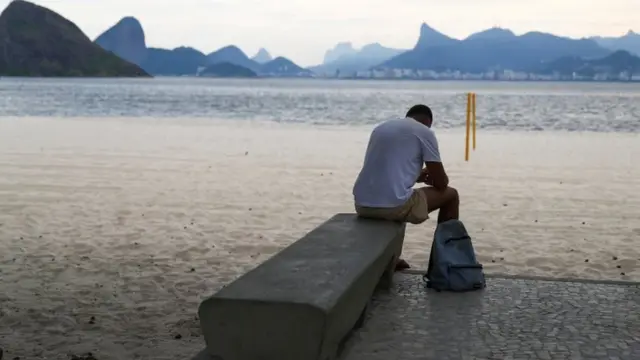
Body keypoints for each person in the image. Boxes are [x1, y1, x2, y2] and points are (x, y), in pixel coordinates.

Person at [352, 104, 460, 270]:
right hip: (392, 207)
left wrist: (417, 176)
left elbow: (387, 173)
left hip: (362, 204)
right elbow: (441, 183)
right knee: (451, 195)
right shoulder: (424, 132)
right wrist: (432, 178)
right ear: (428, 121)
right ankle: (446, 262)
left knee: (402, 195)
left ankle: (392, 258)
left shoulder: (381, 128)